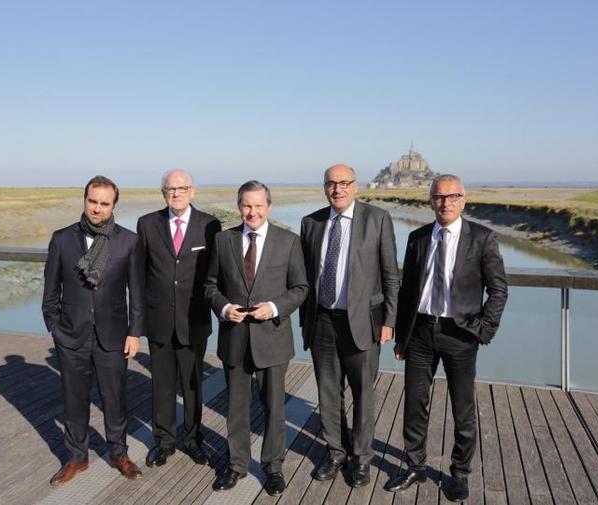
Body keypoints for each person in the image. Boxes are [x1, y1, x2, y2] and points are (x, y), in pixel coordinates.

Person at [385, 174, 507, 502]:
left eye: (452, 197)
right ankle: (415, 466)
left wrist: (484, 329)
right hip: (421, 332)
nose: (445, 203)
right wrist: (401, 336)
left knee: (463, 407)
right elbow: (407, 289)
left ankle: (460, 473)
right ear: (430, 202)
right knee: (414, 403)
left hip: (460, 333)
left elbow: (498, 290)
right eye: (439, 197)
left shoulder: (482, 238)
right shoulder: (418, 237)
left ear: (463, 200)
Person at [204, 180, 308, 496]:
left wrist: (275, 307)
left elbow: (301, 288)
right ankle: (236, 465)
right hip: (234, 338)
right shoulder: (223, 241)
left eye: (258, 205)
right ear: (239, 207)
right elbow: (209, 286)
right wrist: (223, 309)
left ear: (269, 207)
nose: (252, 212)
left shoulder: (289, 241)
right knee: (236, 407)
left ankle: (273, 467)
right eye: (247, 206)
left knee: (274, 407)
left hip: (272, 338)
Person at [299, 164, 400, 487]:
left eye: (344, 183)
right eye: (331, 183)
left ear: (356, 186)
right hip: (323, 321)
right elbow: (303, 277)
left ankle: (361, 459)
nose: (338, 189)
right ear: (324, 187)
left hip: (362, 324)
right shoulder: (311, 222)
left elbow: (390, 275)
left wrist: (389, 320)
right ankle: (335, 452)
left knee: (363, 395)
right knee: (328, 393)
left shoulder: (377, 219)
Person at [42, 175, 144, 486]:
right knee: (74, 400)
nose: (96, 208)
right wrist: (56, 330)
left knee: (115, 400)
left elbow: (136, 292)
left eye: (104, 203)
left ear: (114, 206)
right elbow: (50, 294)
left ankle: (119, 453)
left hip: (113, 336)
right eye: (92, 201)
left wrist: (134, 332)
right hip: (71, 336)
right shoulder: (62, 239)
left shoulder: (128, 241)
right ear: (84, 200)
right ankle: (77, 457)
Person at [135, 169, 221, 468]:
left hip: (194, 321)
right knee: (161, 385)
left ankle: (193, 439)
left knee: (193, 384)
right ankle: (164, 441)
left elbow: (216, 273)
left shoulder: (210, 225)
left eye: (182, 188)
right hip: (159, 320)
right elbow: (140, 273)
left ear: (192, 191)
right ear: (163, 193)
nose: (176, 193)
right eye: (170, 189)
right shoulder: (147, 224)